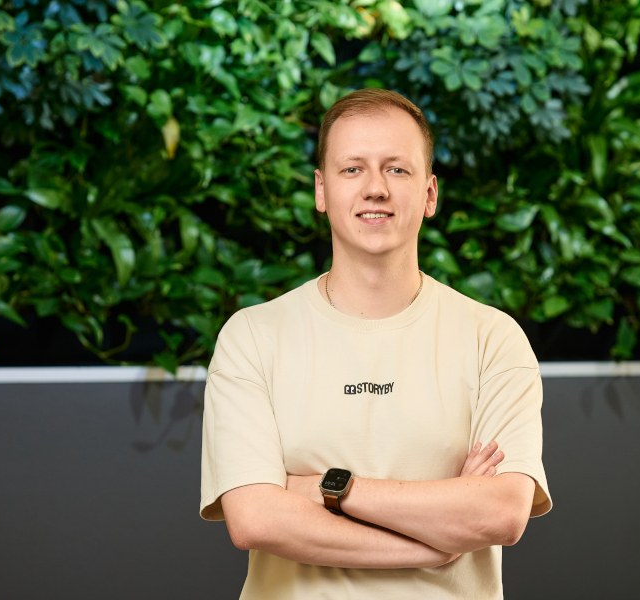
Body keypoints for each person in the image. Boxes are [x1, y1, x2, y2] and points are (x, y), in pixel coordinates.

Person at [200, 88, 552, 599]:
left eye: (397, 169)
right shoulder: (253, 337)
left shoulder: (492, 339)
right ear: (321, 191)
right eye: (352, 169)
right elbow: (256, 519)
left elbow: (500, 511)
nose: (375, 189)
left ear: (430, 194)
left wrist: (322, 488)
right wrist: (433, 543)